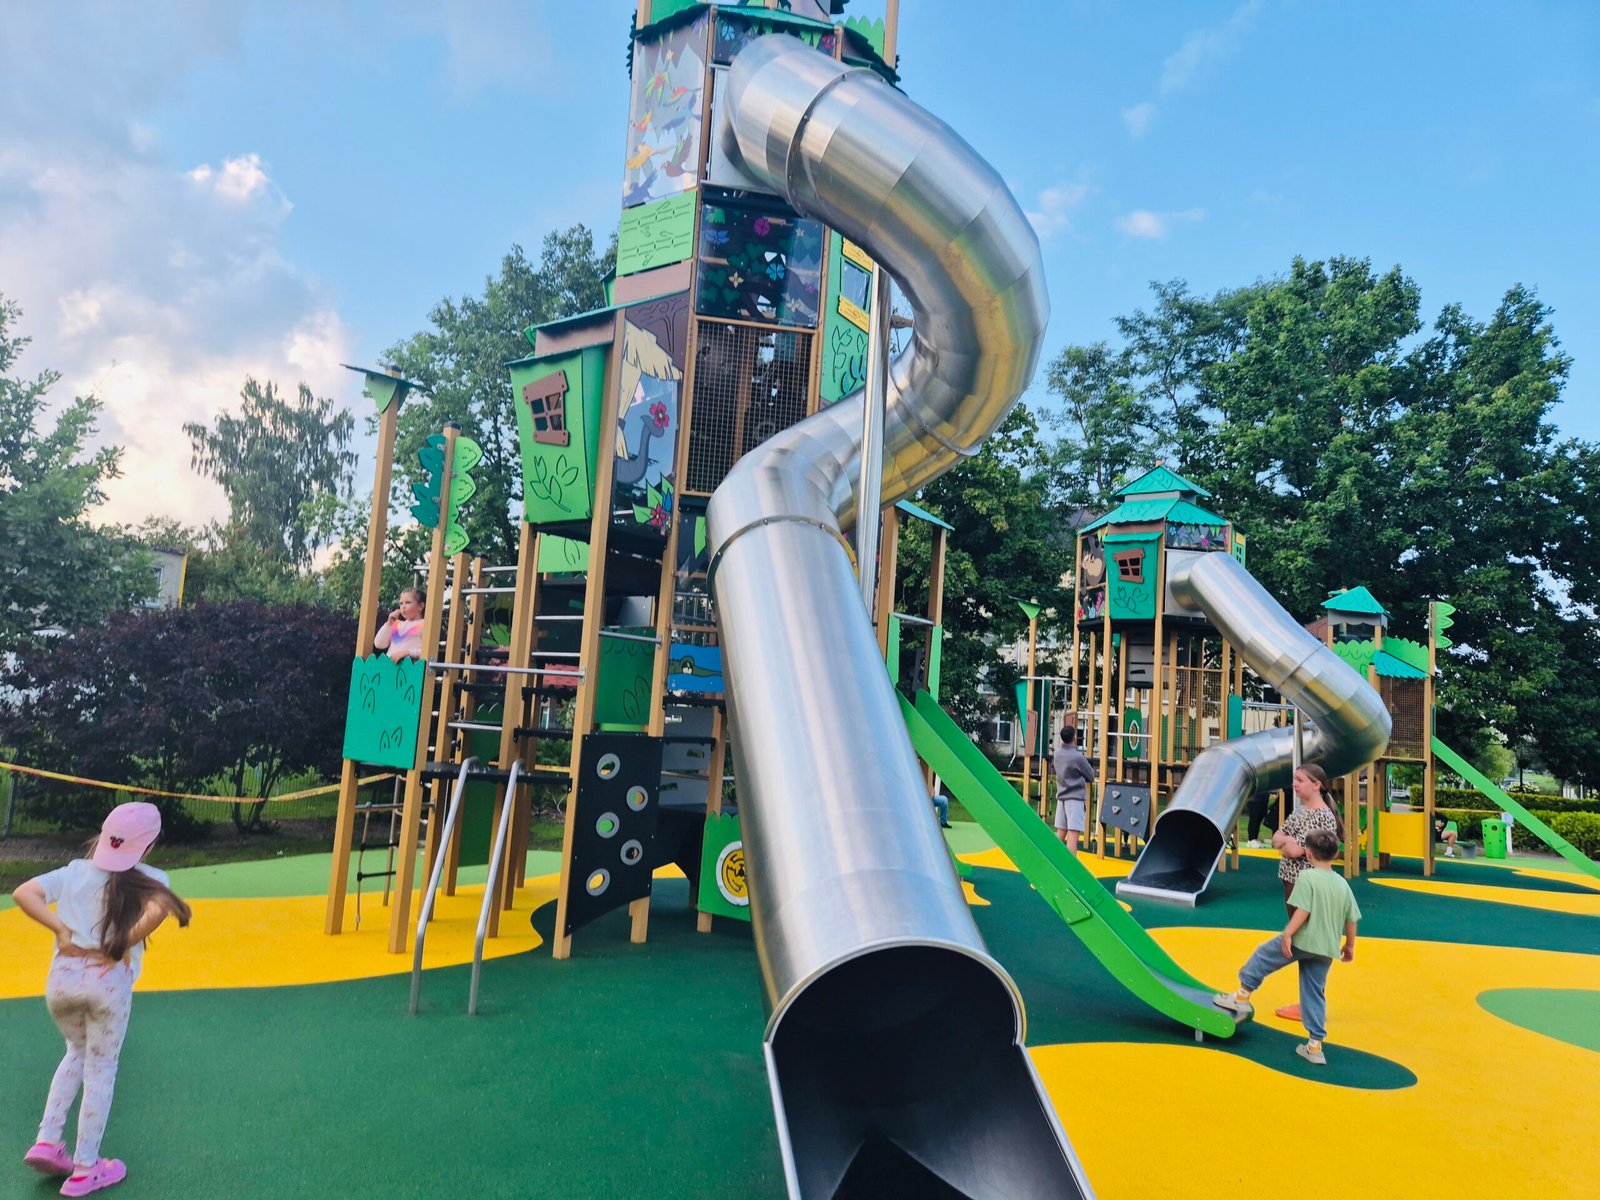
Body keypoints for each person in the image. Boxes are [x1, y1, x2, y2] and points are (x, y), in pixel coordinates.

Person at [11, 802, 192, 1196]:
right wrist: (123, 940)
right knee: (101, 1069)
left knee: (75, 1052)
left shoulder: (76, 872)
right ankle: (85, 1168)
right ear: (150, 845)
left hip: (61, 985)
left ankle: (47, 1139)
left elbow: (24, 892)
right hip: (107, 988)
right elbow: (163, 907)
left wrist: (60, 929)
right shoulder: (151, 877)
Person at [1213, 829, 1361, 1066]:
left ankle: (1241, 996)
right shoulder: (1342, 884)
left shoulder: (1308, 878)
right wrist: (1350, 945)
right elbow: (1351, 918)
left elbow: (1303, 911)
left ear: (1309, 854)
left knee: (1263, 956)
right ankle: (1314, 1045)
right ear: (1335, 855)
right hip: (1327, 948)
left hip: (1304, 940)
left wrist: (1288, 934)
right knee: (1314, 992)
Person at [1051, 722, 1097, 853]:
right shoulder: (1077, 757)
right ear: (1074, 737)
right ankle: (1070, 867)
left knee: (1061, 832)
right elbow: (1091, 775)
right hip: (1075, 799)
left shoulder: (1057, 754)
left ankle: (1052, 859)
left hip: (1062, 797)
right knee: (1073, 834)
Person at [374, 588, 426, 662]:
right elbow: (379, 644)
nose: (403, 606)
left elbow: (428, 651)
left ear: (421, 606)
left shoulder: (424, 624)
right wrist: (389, 624)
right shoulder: (397, 624)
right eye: (401, 603)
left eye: (408, 602)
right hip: (391, 666)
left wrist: (408, 653)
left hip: (412, 667)